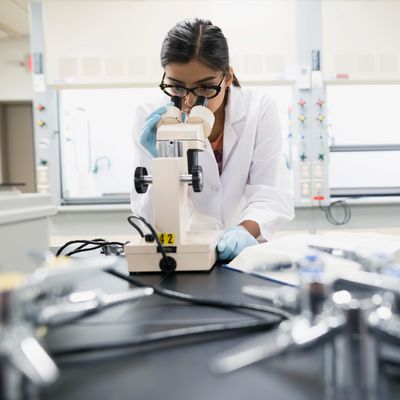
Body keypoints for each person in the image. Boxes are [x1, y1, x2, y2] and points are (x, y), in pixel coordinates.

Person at [131, 18, 294, 261]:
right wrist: (162, 166)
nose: (188, 101)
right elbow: (147, 215)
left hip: (243, 251)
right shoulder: (152, 118)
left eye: (205, 88)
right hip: (180, 250)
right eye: (176, 88)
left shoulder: (258, 110)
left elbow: (270, 193)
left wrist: (242, 231)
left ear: (227, 77)